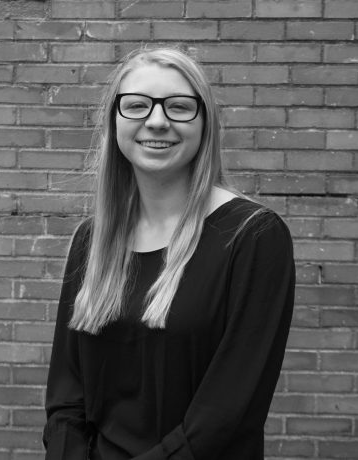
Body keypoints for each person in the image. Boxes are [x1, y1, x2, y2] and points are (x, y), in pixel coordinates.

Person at [43, 47, 295, 460]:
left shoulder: (252, 237)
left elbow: (226, 415)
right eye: (136, 105)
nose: (157, 121)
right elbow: (66, 399)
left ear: (205, 124)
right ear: (114, 121)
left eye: (178, 106)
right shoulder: (92, 240)